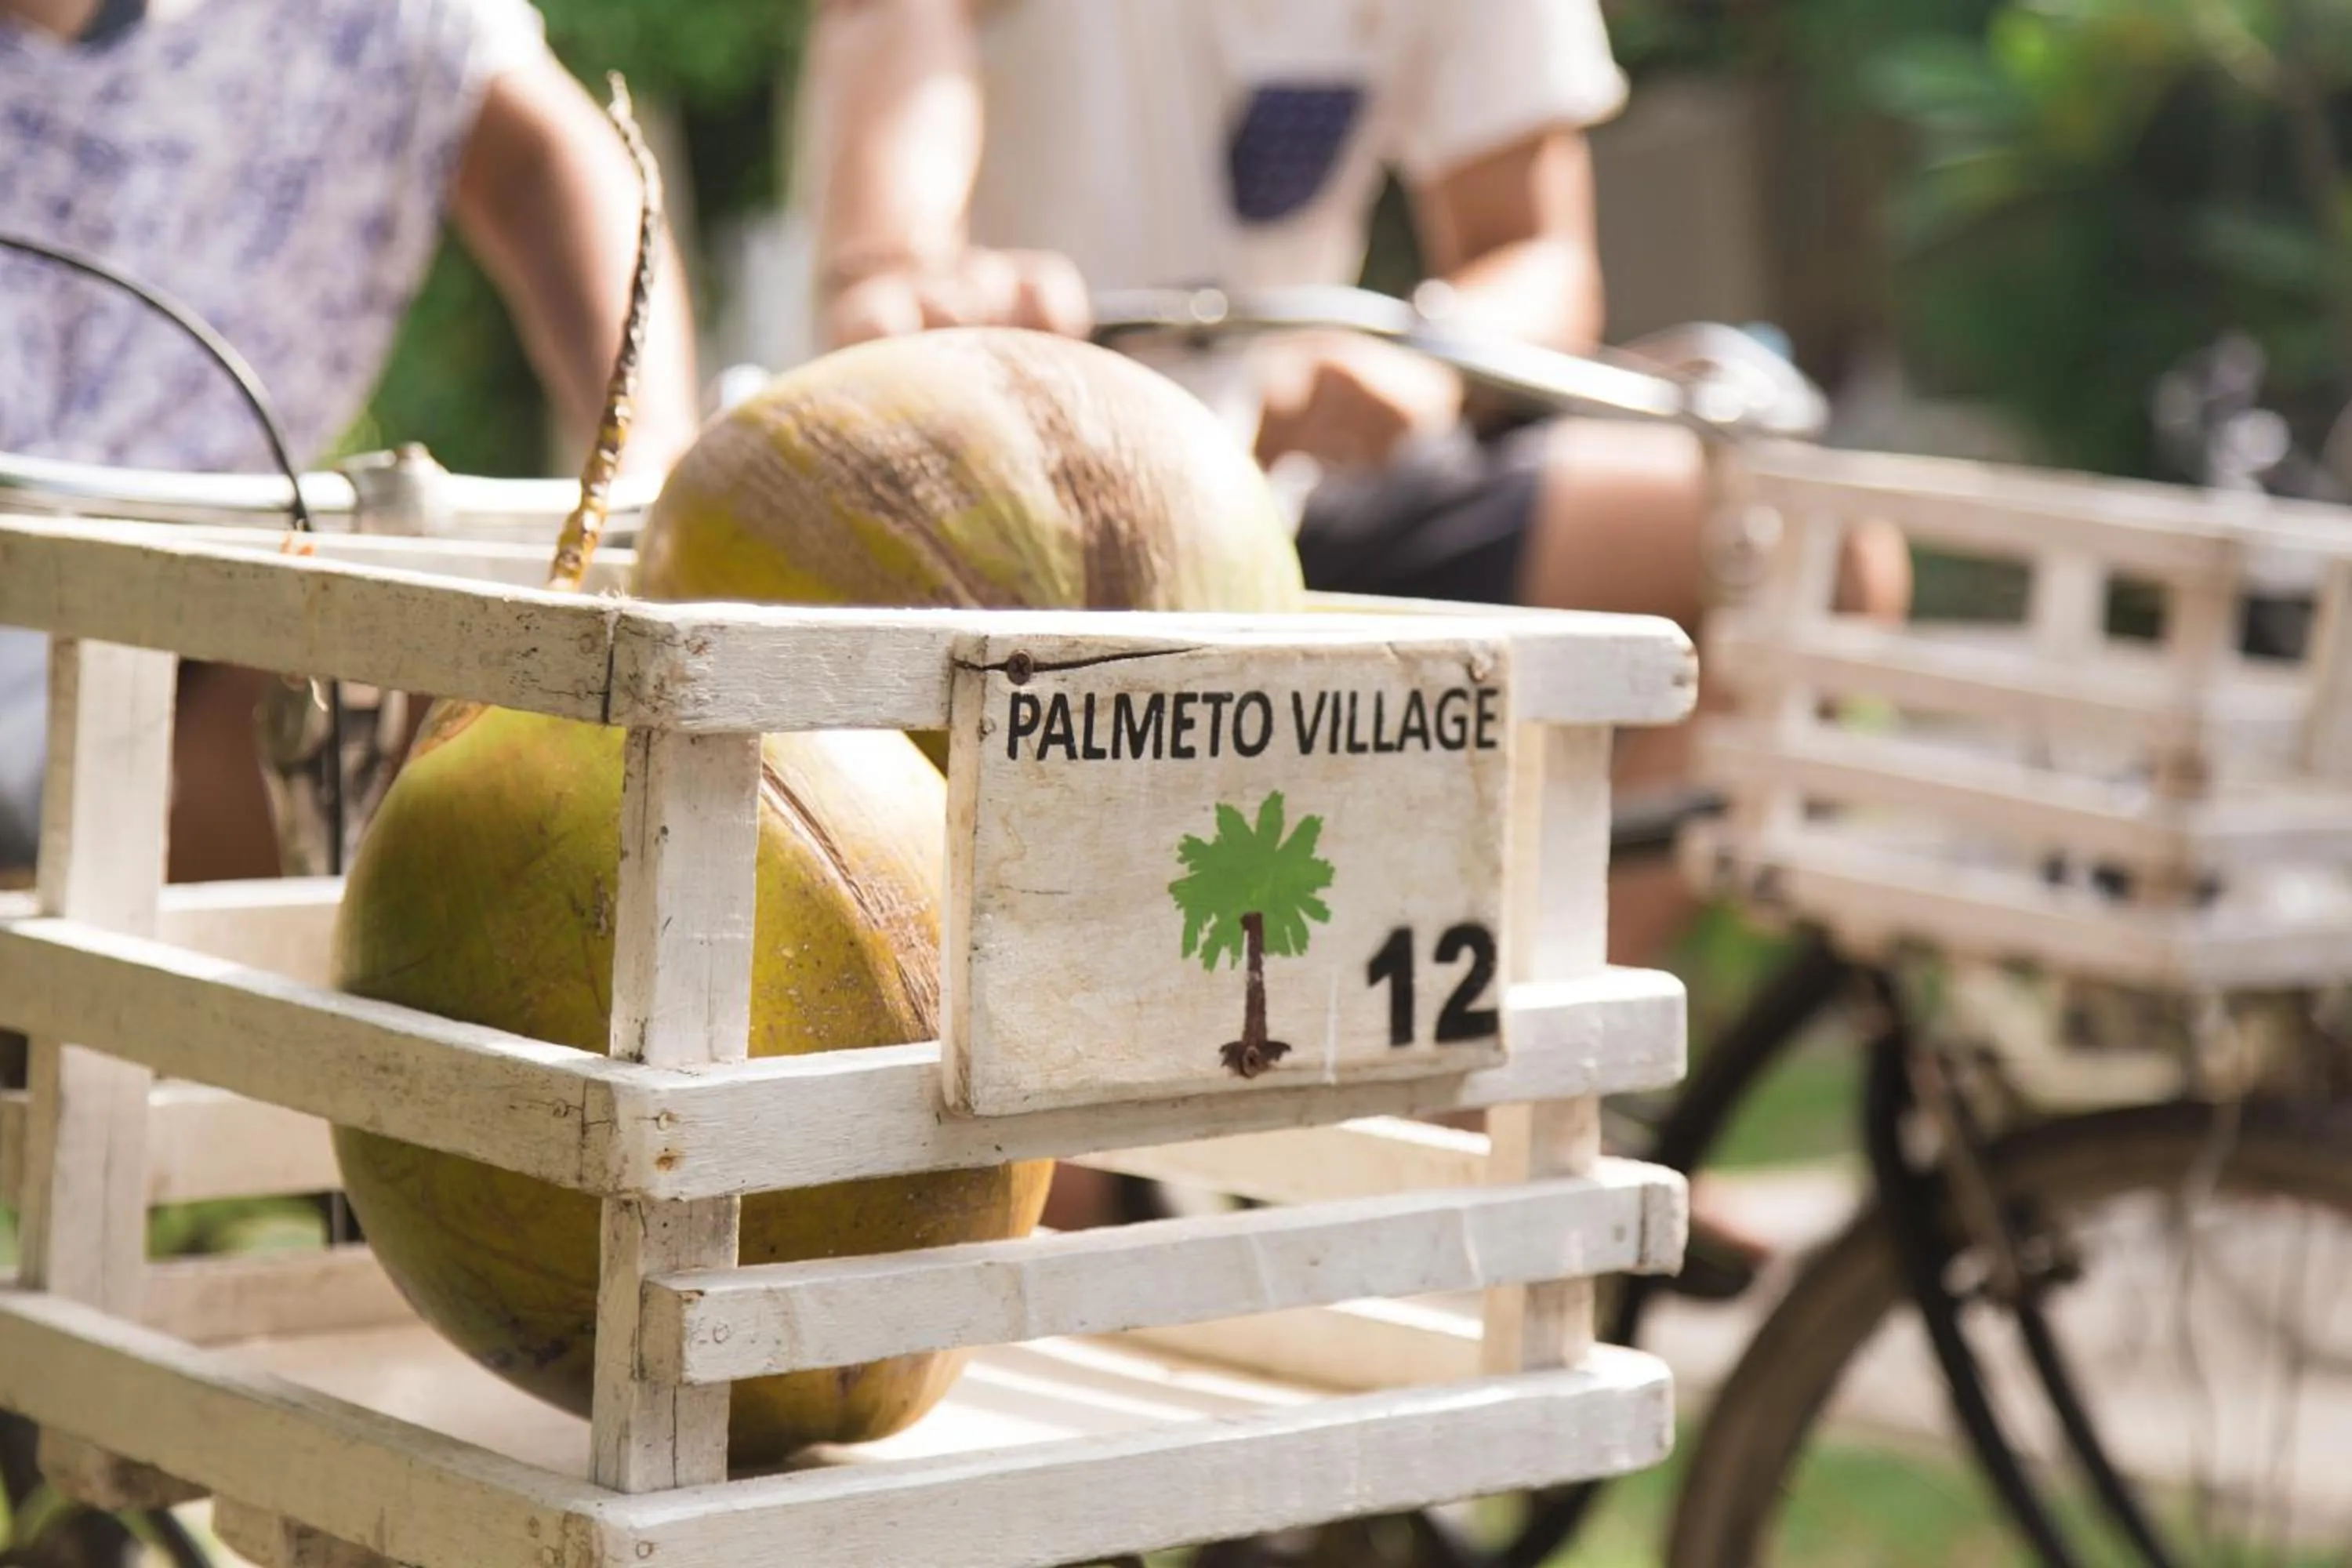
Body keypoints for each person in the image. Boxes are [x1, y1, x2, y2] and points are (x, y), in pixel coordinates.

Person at [786, 0, 1912, 1238]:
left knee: (1810, 558)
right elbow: (905, 33)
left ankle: (1480, 1100)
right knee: (1046, 1202)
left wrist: (1426, 360)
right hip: (970, 503)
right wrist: (899, 264)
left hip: (1276, 498)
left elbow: (1539, 250)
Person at [0, 0, 702, 884]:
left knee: (473, 690)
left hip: (194, 642)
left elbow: (543, 161)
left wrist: (657, 466)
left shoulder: (364, 22)